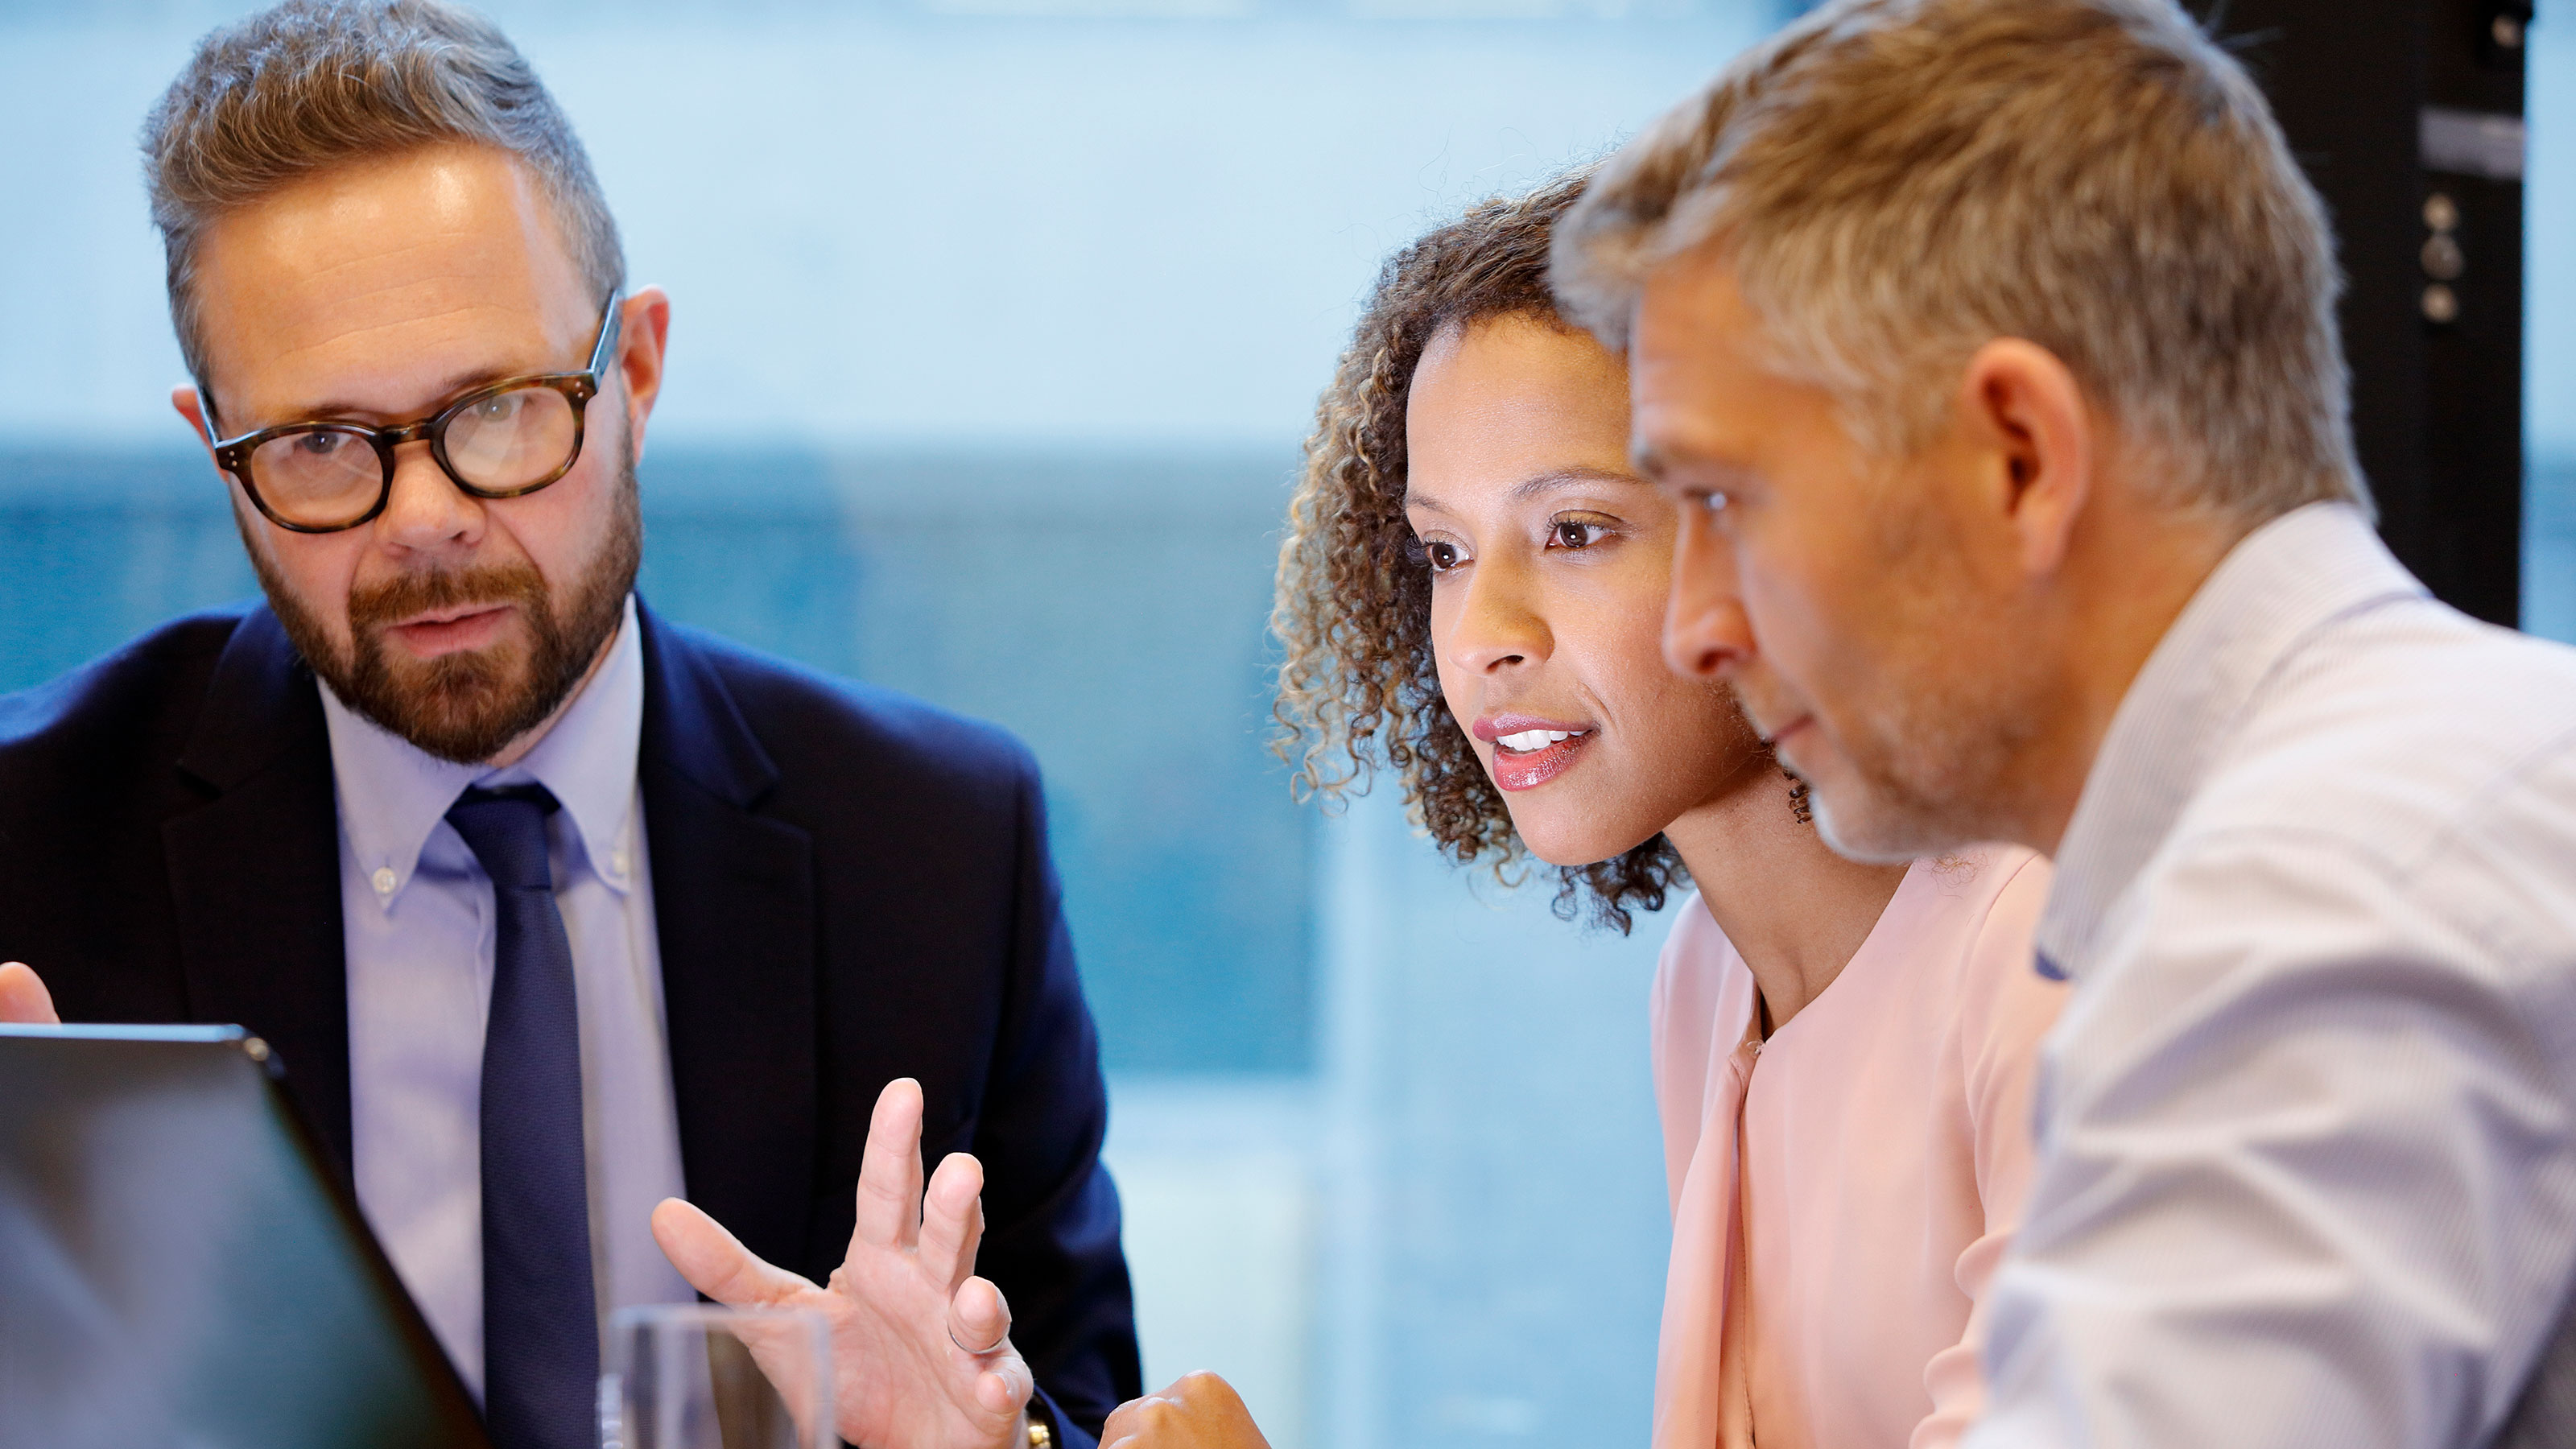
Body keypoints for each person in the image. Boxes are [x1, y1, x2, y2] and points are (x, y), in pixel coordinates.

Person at [0, 4, 1135, 1447]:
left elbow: (1091, 1414)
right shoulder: (25, 853)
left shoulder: (939, 851)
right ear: (217, 453)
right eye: (321, 446)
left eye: (498, 411)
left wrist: (991, 1442)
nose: (423, 519)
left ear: (637, 374)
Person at [1542, 0, 2576, 1443]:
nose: (1696, 625)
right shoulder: (2454, 773)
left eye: (1724, 502)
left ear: (2018, 457)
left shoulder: (2319, 902)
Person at [1104, 173, 2063, 1449]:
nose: (1484, 636)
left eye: (1576, 531)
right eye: (1445, 553)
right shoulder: (1708, 983)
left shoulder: (2044, 943)